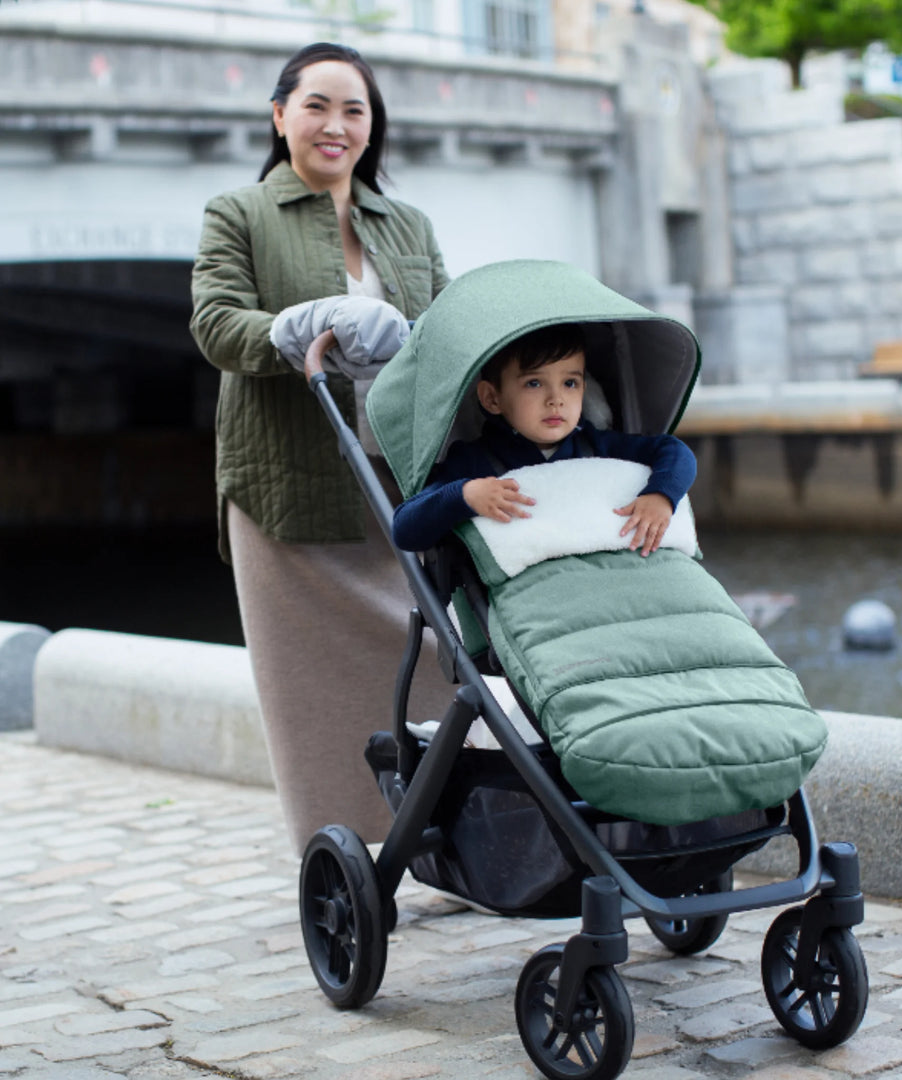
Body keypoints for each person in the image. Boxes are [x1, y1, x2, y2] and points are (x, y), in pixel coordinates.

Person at [189, 42, 450, 856]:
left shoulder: (406, 223)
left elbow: (448, 326)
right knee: (310, 685)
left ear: (373, 128)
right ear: (279, 116)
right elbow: (214, 324)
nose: (336, 125)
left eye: (355, 110)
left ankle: (442, 825)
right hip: (289, 483)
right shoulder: (239, 213)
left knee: (442, 654)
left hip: (403, 477)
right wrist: (294, 331)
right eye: (317, 106)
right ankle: (341, 848)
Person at [392, 323, 697, 554]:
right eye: (534, 383)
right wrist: (465, 495)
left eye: (570, 383)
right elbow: (405, 529)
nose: (556, 399)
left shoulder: (596, 446)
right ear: (491, 398)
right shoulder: (476, 461)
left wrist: (661, 496)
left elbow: (675, 451)